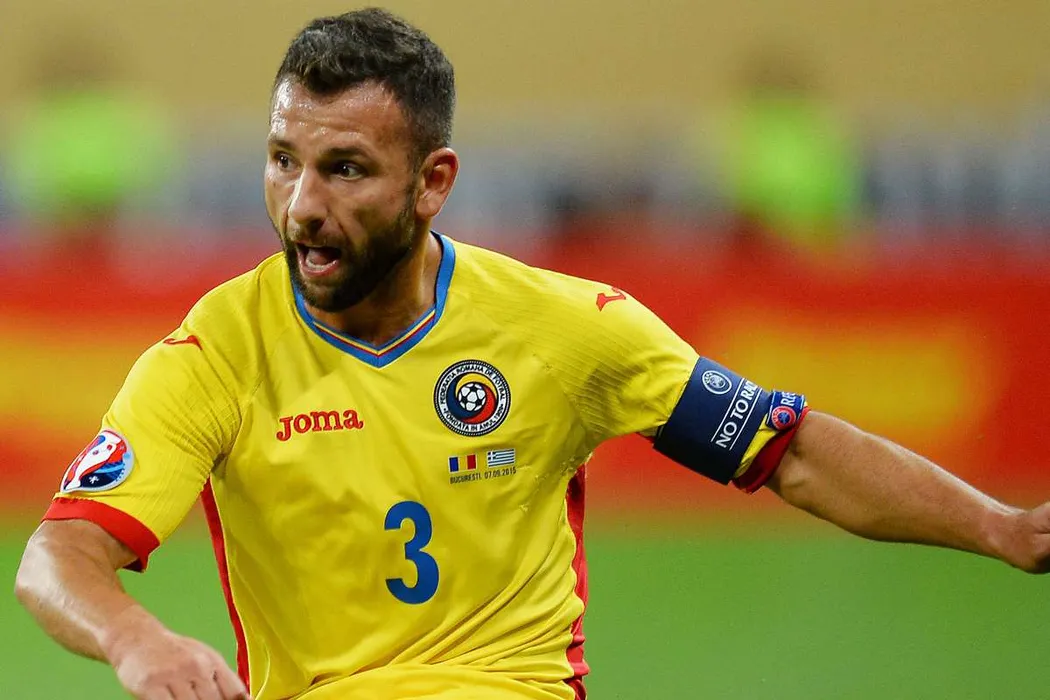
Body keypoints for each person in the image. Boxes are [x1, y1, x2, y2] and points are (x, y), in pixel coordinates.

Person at [14, 9, 1050, 700]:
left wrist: (1005, 529)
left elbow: (792, 451)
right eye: (284, 161)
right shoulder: (215, 351)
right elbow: (57, 556)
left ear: (433, 182)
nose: (303, 206)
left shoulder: (563, 327)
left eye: (346, 169)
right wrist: (138, 639)